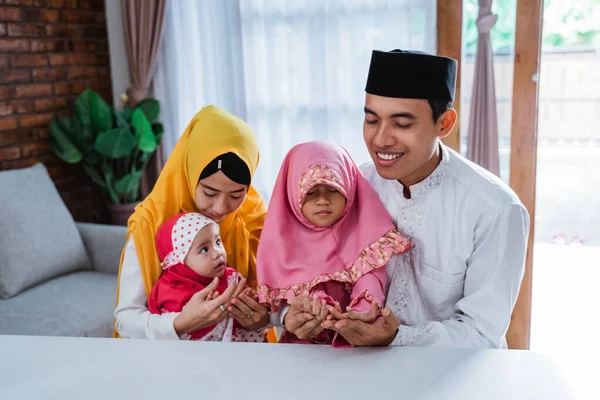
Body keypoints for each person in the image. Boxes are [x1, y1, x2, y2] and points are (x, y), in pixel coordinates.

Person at [283, 49, 530, 348]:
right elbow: (308, 263)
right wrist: (293, 315)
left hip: (452, 378)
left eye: (402, 124)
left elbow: (482, 334)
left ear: (445, 124)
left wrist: (398, 337)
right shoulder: (352, 186)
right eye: (372, 120)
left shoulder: (495, 209)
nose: (381, 139)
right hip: (355, 367)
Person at [114, 105, 274, 340]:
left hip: (240, 360)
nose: (220, 208)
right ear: (189, 171)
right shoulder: (150, 222)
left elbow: (274, 309)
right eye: (209, 193)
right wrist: (181, 323)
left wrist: (263, 320)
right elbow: (125, 320)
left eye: (236, 195)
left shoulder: (254, 218)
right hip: (174, 364)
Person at [256, 141, 411, 346]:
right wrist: (309, 309)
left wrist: (361, 313)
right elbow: (277, 309)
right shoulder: (280, 245)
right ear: (292, 193)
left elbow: (370, 282)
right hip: (300, 353)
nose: (322, 200)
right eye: (310, 192)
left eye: (333, 189)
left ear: (348, 186)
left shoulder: (365, 235)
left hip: (359, 349)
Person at [148, 213, 265, 342]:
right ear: (179, 262)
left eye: (218, 242)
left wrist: (249, 303)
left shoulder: (231, 278)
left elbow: (252, 318)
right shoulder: (170, 292)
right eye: (204, 249)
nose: (217, 253)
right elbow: (164, 338)